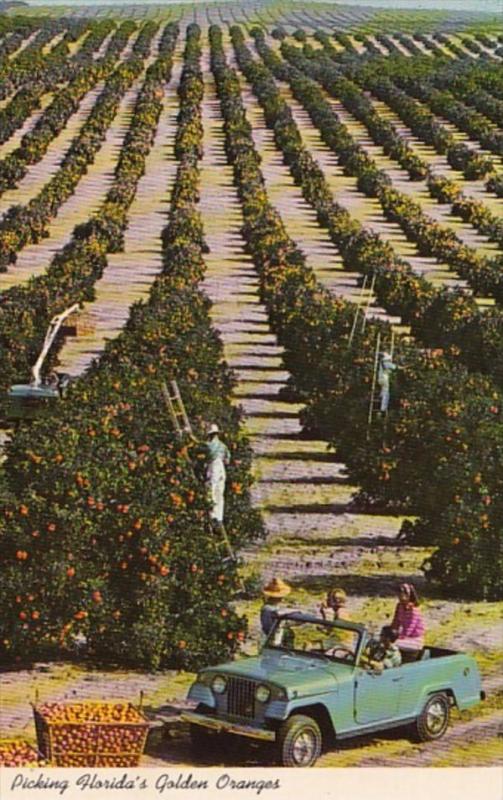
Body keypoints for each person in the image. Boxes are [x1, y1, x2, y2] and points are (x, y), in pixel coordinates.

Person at [206, 423, 230, 525]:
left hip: (214, 467)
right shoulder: (223, 446)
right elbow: (227, 460)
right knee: (220, 492)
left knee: (211, 490)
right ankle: (219, 517)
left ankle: (212, 516)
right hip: (222, 469)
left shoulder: (208, 445)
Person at [391, 582, 426, 652]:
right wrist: (390, 634)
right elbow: (395, 622)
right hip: (404, 637)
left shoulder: (413, 610)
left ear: (407, 595)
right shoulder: (399, 606)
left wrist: (396, 638)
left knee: (393, 644)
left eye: (401, 594)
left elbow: (408, 630)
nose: (399, 596)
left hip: (415, 639)